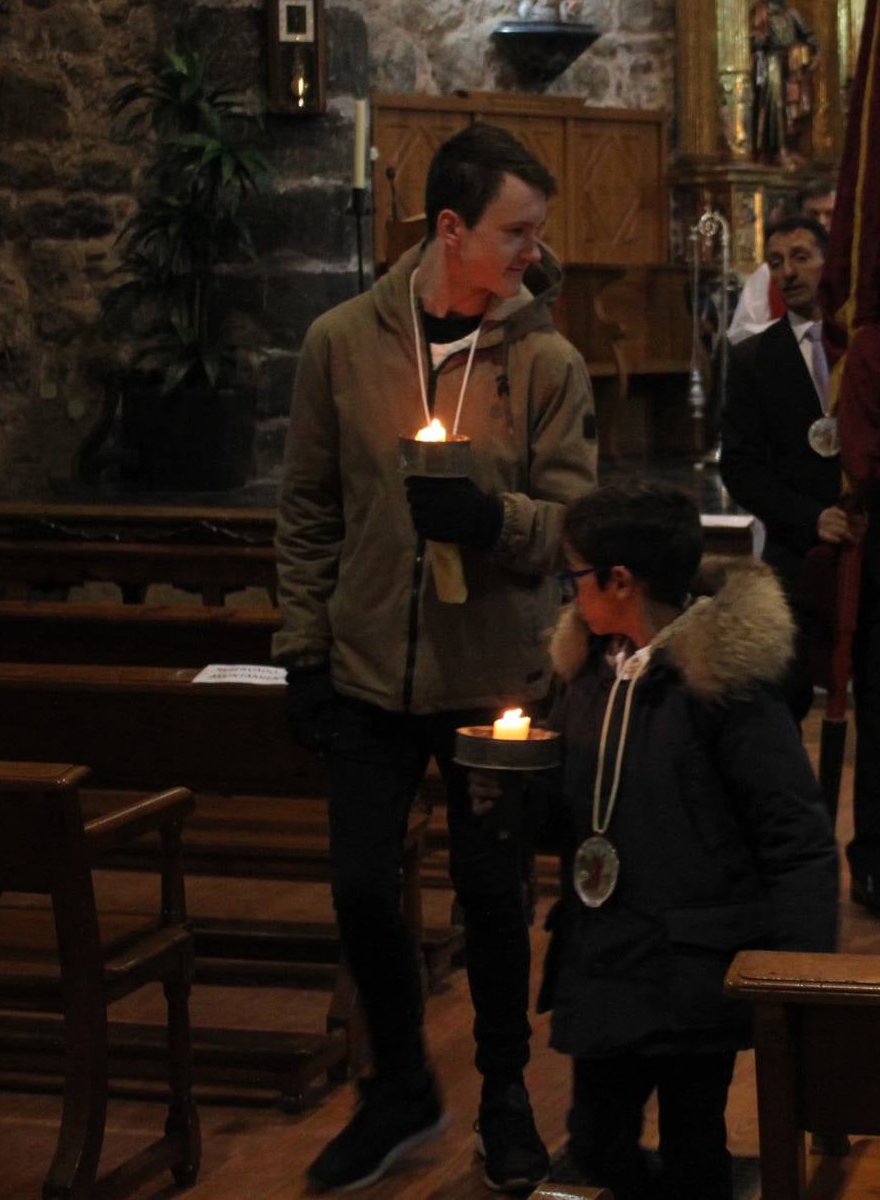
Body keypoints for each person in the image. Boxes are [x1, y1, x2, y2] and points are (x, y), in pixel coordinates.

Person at [274, 123, 597, 1194]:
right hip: (369, 668)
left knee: (494, 898)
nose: (532, 254)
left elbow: (570, 528)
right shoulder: (341, 341)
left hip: (492, 677)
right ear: (450, 230)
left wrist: (490, 519)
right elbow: (310, 510)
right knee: (363, 889)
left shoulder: (546, 360)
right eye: (516, 233)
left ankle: (506, 1097)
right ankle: (399, 1089)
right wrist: (303, 652)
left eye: (537, 234)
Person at [470, 479, 836, 1200]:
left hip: (695, 963)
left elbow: (795, 838)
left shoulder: (724, 689)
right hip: (606, 957)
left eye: (574, 576)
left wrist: (796, 986)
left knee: (694, 1144)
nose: (567, 594)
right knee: (596, 1141)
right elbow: (580, 819)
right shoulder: (589, 676)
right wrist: (511, 797)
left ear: (619, 580)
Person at [719, 214, 880, 921]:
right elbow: (741, 466)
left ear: (831, 260)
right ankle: (791, 853)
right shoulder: (755, 360)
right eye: (777, 261)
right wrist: (809, 518)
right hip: (798, 565)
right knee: (779, 712)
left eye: (803, 256)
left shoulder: (877, 350)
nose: (790, 271)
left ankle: (872, 862)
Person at [726, 179, 836, 345]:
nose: (822, 222)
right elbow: (740, 333)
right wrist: (792, 331)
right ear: (800, 215)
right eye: (813, 214)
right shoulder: (767, 274)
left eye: (830, 214)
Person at [749, 0, 817, 166]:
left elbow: (810, 36)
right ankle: (776, 149)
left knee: (794, 106)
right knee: (774, 104)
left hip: (792, 65)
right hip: (770, 63)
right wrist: (762, 40)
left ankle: (792, 146)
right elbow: (752, 39)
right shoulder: (760, 13)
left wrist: (810, 52)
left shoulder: (791, 14)